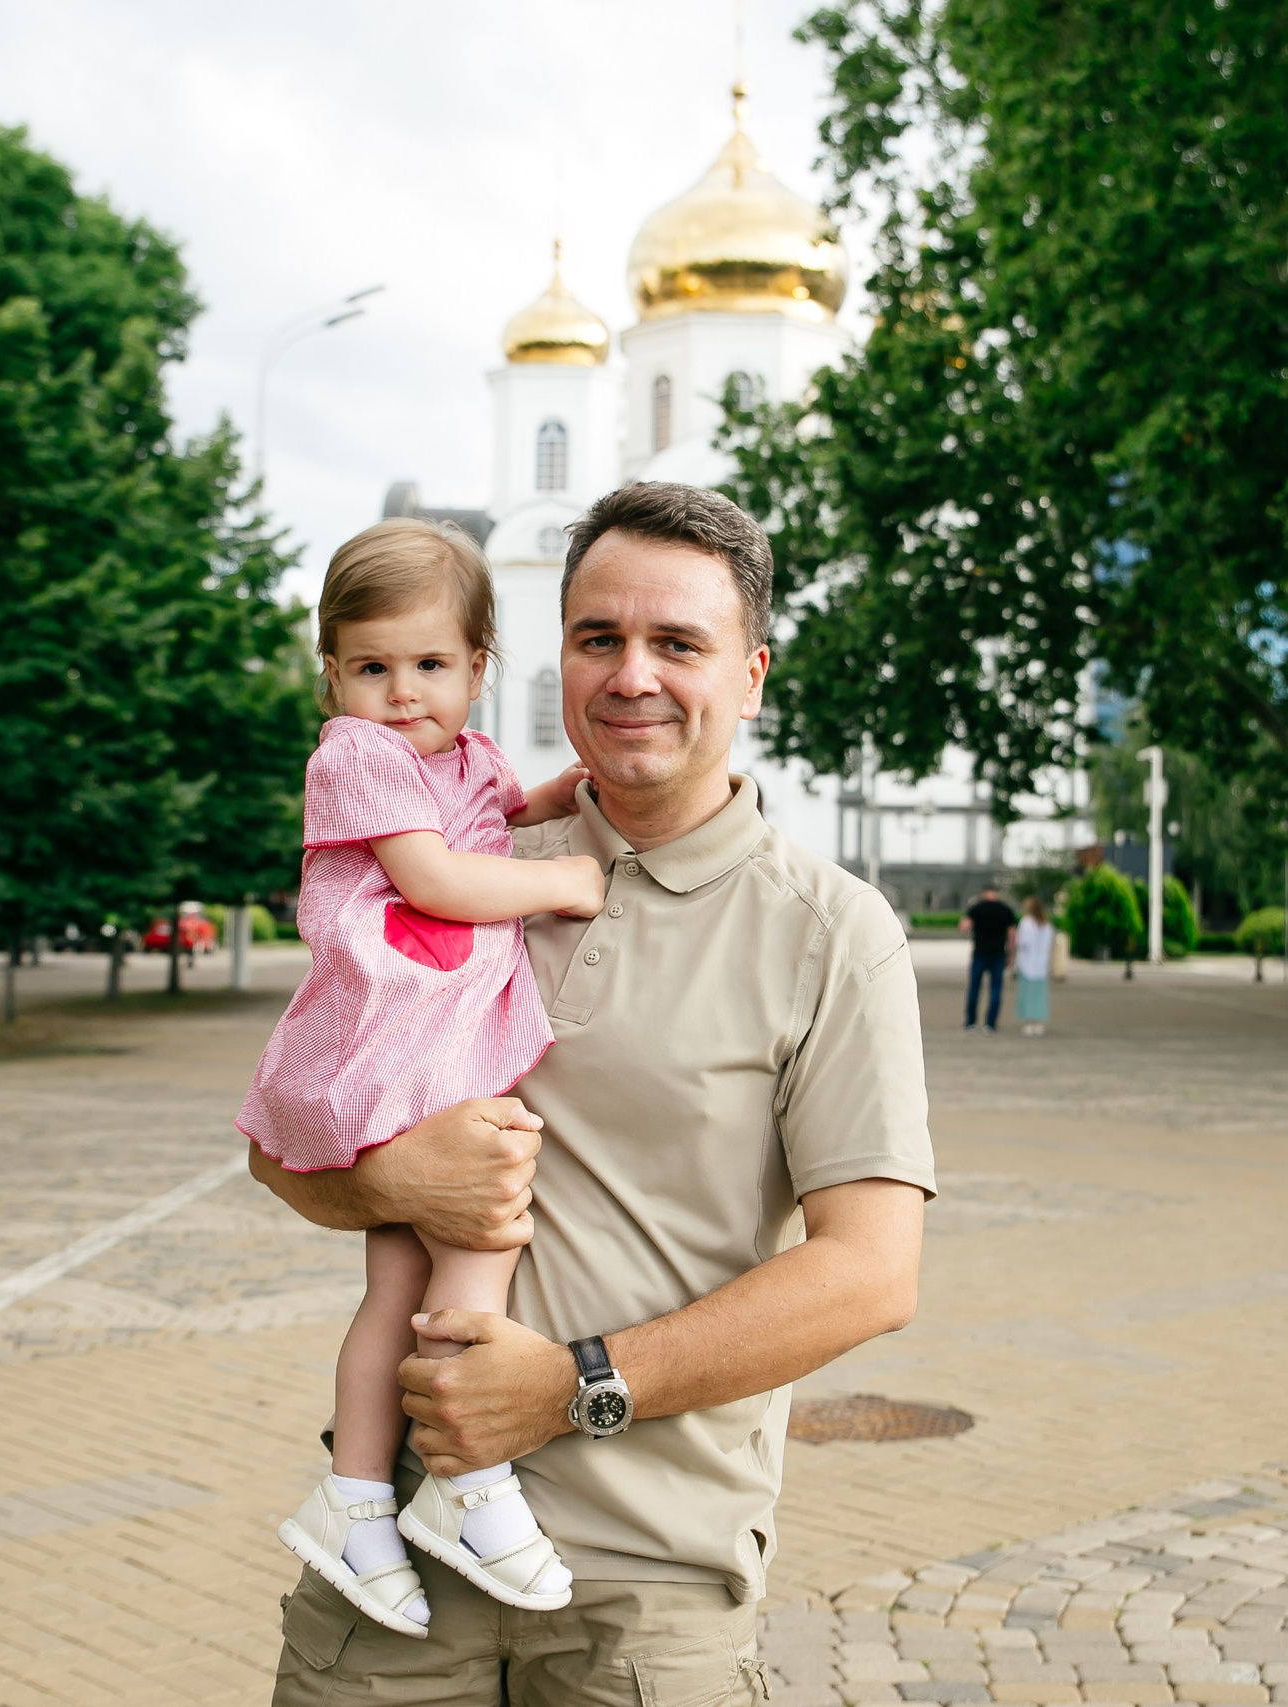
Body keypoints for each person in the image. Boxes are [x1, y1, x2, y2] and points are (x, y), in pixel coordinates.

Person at [250, 481, 932, 1705]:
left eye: (678, 643)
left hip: (648, 1590)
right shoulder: (457, 870)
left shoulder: (835, 934)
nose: (632, 676)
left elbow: (871, 1273)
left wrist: (576, 1385)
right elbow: (283, 1136)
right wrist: (391, 1180)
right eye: (598, 638)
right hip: (394, 1575)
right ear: (551, 655)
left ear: (753, 674)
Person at [242, 519, 606, 1637]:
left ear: (478, 669)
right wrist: (562, 885)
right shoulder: (355, 756)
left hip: (426, 1029)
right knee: (482, 1228)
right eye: (372, 667)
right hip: (398, 1038)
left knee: (397, 1288)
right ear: (334, 672)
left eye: (430, 665)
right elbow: (437, 877)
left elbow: (501, 812)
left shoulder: (464, 759)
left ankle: (355, 1501)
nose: (402, 692)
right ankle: (462, 1480)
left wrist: (570, 793)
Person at [961, 884, 1017, 1031]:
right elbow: (1012, 935)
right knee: (996, 989)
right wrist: (1010, 954)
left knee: (974, 988)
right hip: (998, 953)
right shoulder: (1006, 910)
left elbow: (964, 927)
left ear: (983, 893)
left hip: (980, 953)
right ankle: (990, 1023)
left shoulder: (977, 908)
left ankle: (971, 1022)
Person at [1014, 895, 1057, 1037]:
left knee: (1027, 994)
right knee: (1039, 995)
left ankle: (1029, 1022)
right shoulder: (1047, 925)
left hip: (1027, 963)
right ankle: (1038, 1023)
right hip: (1041, 965)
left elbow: (1022, 943)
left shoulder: (1026, 923)